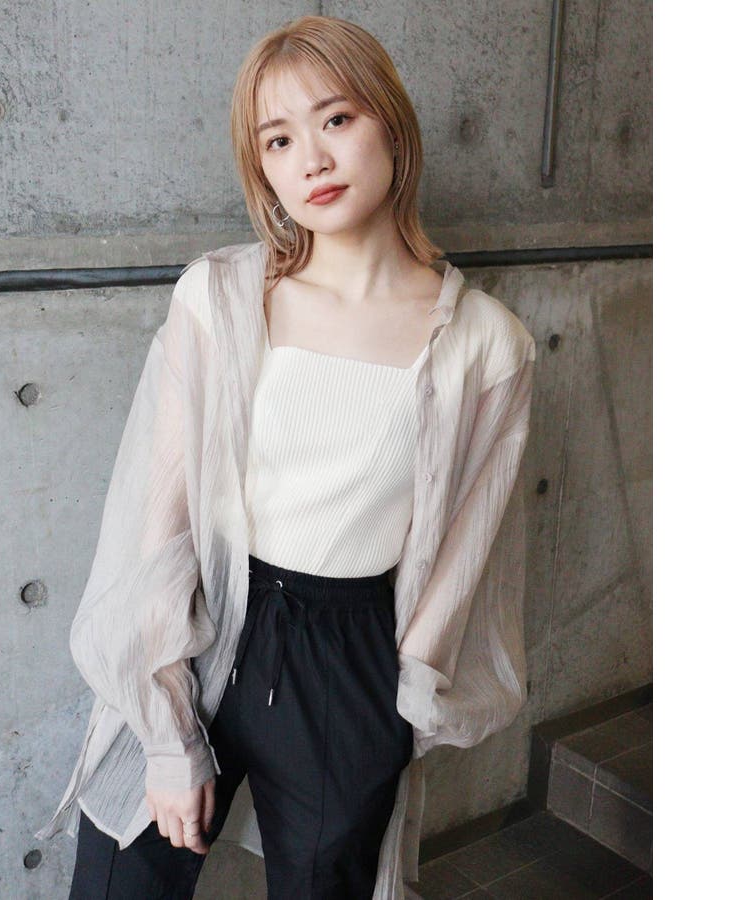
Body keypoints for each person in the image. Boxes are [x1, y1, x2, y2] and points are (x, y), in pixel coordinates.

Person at [36, 14, 536, 900]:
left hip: (349, 657)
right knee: (119, 882)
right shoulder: (218, 298)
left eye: (336, 119)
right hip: (201, 619)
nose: (313, 158)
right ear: (261, 166)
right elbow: (163, 517)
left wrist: (396, 714)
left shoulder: (488, 344)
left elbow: (465, 555)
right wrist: (165, 727)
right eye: (279, 138)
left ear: (391, 124)